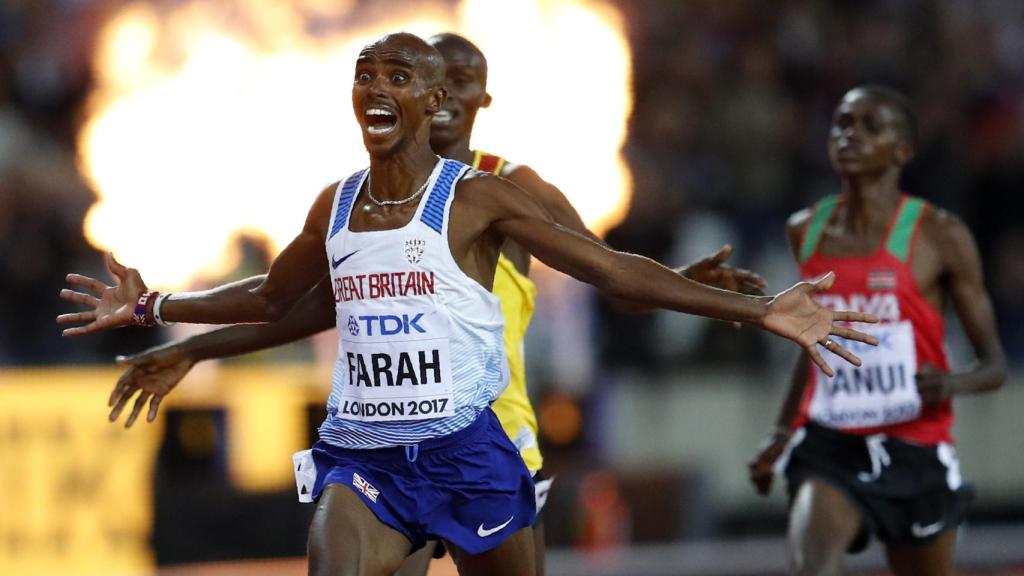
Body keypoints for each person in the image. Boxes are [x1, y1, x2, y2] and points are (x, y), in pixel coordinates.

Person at [59, 32, 877, 576]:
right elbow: (290, 301)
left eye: (406, 78)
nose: (387, 88)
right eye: (367, 75)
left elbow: (609, 273)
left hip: (482, 442)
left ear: (453, 98)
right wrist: (159, 311)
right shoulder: (335, 204)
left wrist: (750, 307)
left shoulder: (491, 195)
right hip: (369, 454)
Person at [747, 86, 1006, 576]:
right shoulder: (807, 229)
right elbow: (813, 339)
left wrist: (952, 383)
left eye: (870, 126)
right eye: (842, 123)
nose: (850, 135)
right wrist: (782, 432)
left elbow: (994, 365)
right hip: (831, 443)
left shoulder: (941, 235)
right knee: (814, 569)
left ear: (903, 150)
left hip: (916, 446)